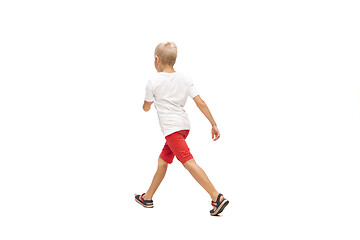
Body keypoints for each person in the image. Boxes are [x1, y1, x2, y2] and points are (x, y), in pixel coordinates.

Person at [134, 42, 229, 216]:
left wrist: (148, 104)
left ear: (157, 59)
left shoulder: (153, 81)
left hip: (172, 130)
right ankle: (147, 197)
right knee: (163, 162)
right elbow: (200, 102)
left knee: (188, 162)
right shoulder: (185, 78)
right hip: (183, 127)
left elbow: (146, 107)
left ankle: (217, 197)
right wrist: (213, 124)